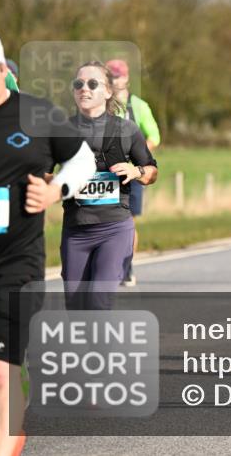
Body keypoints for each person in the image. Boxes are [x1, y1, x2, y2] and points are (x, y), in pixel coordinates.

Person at [0, 31, 95, 456]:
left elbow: (83, 159)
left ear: (0, 66)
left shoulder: (36, 114)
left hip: (15, 263)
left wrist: (56, 191)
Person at [62, 61, 159, 310]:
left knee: (98, 301)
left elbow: (152, 172)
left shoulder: (127, 130)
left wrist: (135, 170)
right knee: (75, 307)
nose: (84, 88)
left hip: (114, 228)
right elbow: (43, 176)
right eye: (78, 84)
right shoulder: (62, 131)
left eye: (93, 83)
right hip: (76, 230)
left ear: (107, 92)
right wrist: (61, 182)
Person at [106, 59, 161, 288]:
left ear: (127, 78)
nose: (115, 80)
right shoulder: (100, 104)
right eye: (110, 76)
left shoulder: (138, 106)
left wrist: (136, 160)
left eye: (118, 76)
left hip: (132, 173)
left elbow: (154, 136)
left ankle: (127, 267)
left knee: (128, 220)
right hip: (106, 173)